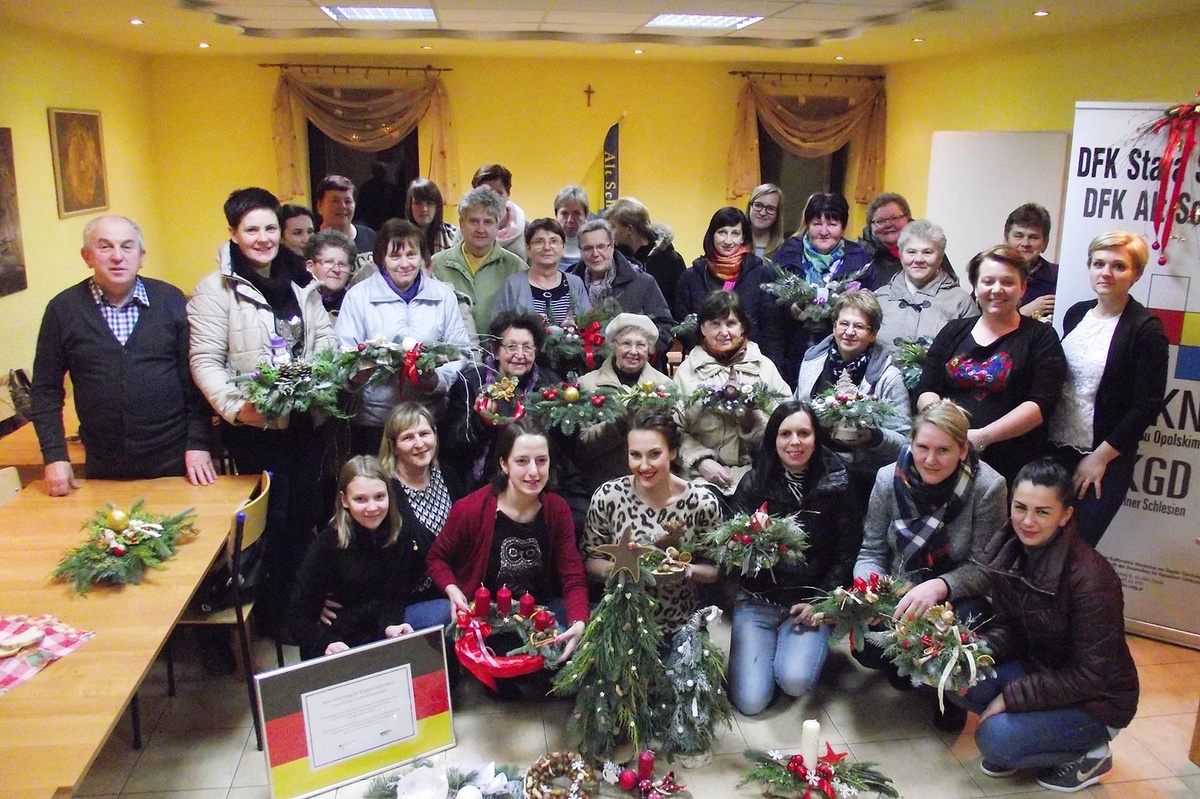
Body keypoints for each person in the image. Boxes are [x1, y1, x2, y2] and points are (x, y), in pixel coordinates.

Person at [188, 187, 338, 633]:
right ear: (233, 233)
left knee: (305, 517)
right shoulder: (216, 290)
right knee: (271, 523)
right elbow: (205, 361)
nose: (263, 238)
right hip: (256, 430)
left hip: (307, 423)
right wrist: (239, 409)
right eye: (251, 230)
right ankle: (274, 617)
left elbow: (325, 338)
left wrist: (321, 381)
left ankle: (301, 608)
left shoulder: (301, 279)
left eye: (270, 227)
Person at [960, 459, 1138, 793]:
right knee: (961, 678)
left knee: (994, 738)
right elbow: (1010, 629)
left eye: (1042, 512)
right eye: (1020, 508)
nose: (1027, 521)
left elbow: (1091, 675)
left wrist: (1011, 698)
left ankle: (1092, 752)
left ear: (1065, 515)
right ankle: (1032, 740)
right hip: (1043, 669)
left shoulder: (1091, 578)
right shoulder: (1009, 551)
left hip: (1098, 701)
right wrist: (968, 651)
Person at [30, 215, 216, 495]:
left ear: (141, 256)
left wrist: (198, 444)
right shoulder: (62, 310)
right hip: (103, 464)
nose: (117, 256)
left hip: (175, 460)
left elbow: (194, 382)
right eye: (105, 247)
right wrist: (55, 455)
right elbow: (45, 390)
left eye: (127, 247)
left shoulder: (170, 300)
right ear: (87, 256)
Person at [854, 399, 1008, 730]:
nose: (930, 460)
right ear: (911, 442)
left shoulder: (988, 487)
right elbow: (872, 550)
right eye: (922, 447)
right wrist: (870, 591)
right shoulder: (888, 479)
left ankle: (949, 692)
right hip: (900, 586)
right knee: (868, 647)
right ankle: (907, 666)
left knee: (966, 622)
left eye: (943, 450)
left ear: (963, 450)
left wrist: (938, 587)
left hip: (957, 595)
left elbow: (986, 569)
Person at [727, 401, 862, 715]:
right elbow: (731, 547)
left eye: (804, 433)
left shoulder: (838, 483)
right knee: (750, 702)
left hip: (809, 601)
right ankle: (767, 651)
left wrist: (823, 602)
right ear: (773, 439)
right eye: (785, 434)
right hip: (759, 599)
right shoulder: (754, 482)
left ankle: (801, 649)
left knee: (794, 680)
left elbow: (847, 552)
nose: (795, 442)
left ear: (816, 437)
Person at [426, 421, 588, 672]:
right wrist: (452, 589)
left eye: (541, 461)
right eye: (522, 461)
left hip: (536, 614)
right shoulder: (471, 509)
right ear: (504, 464)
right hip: (485, 618)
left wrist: (578, 621)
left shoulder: (556, 509)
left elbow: (573, 577)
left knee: (585, 642)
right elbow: (437, 558)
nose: (533, 472)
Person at [1048, 231, 1168, 548]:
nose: (1106, 273)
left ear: (1136, 274)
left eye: (1118, 266)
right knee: (1039, 545)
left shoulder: (1145, 329)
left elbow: (1148, 404)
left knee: (1074, 552)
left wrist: (1099, 458)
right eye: (1098, 263)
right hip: (1055, 449)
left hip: (1103, 460)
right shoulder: (1076, 313)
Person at [916, 245, 1066, 484]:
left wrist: (982, 437)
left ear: (1022, 288)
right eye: (988, 281)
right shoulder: (953, 331)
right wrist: (947, 429)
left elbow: (1041, 404)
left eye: (1008, 282)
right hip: (945, 456)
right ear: (975, 287)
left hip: (1011, 463)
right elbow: (926, 389)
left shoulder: (1041, 337)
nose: (997, 289)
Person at [334, 219, 470, 455]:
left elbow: (460, 351)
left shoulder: (442, 296)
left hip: (428, 420)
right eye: (395, 256)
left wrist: (435, 379)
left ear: (422, 257)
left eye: (411, 254)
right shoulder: (358, 297)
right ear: (381, 259)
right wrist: (359, 373)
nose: (405, 263)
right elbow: (342, 355)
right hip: (374, 421)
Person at [583, 410, 721, 635]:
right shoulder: (608, 496)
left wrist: (689, 570)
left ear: (673, 452)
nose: (644, 466)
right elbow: (590, 559)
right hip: (622, 621)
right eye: (635, 455)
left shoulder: (702, 502)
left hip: (680, 623)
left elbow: (714, 568)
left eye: (654, 454)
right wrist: (623, 569)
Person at [286, 456, 415, 660]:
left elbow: (395, 595)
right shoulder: (327, 545)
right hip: (336, 642)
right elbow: (298, 617)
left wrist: (391, 625)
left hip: (379, 637)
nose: (372, 507)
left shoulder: (399, 534)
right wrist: (325, 644)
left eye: (379, 497)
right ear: (344, 500)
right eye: (360, 499)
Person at [674, 290, 790, 495]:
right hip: (700, 478)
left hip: (758, 473)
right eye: (715, 324)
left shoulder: (764, 368)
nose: (724, 332)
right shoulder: (686, 373)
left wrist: (751, 421)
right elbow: (673, 430)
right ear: (702, 328)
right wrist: (700, 460)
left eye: (731, 323)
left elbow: (787, 426)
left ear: (743, 326)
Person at [442, 310, 561, 489]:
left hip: (537, 480)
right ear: (496, 351)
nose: (520, 355)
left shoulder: (550, 384)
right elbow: (451, 445)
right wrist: (480, 422)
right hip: (482, 482)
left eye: (527, 347)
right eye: (511, 347)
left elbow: (560, 446)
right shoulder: (471, 382)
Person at [794, 291, 911, 464]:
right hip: (811, 459)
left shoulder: (888, 377)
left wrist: (874, 437)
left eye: (859, 326)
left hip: (860, 469)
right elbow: (796, 409)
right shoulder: (812, 362)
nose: (849, 332)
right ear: (834, 327)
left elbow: (904, 442)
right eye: (844, 324)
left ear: (873, 334)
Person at [773, 193, 873, 389]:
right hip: (791, 350)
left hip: (840, 354)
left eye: (832, 224)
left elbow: (868, 305)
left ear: (843, 227)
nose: (824, 231)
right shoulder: (788, 253)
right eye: (817, 223)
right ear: (807, 225)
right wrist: (792, 307)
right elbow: (771, 301)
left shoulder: (859, 259)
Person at [379, 403, 462, 630]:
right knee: (450, 614)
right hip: (405, 603)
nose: (419, 444)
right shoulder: (384, 490)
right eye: (408, 437)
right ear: (394, 446)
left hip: (451, 588)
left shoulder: (448, 474)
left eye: (424, 433)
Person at [576, 314, 673, 493]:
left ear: (650, 350)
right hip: (604, 484)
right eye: (626, 344)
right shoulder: (587, 385)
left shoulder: (665, 386)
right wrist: (620, 420)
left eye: (641, 345)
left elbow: (674, 438)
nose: (633, 351)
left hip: (654, 482)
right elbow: (584, 444)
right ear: (614, 346)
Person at [674, 207, 783, 366]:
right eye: (722, 232)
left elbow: (772, 330)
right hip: (705, 364)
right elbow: (683, 326)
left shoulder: (761, 274)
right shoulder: (691, 277)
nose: (728, 241)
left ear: (743, 237)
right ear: (712, 235)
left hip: (751, 363)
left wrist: (770, 367)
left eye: (735, 233)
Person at [566, 219, 675, 358]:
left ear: (612, 246)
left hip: (634, 364)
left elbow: (665, 327)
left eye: (601, 246)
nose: (595, 254)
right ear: (580, 251)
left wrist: (641, 352)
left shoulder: (643, 282)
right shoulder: (570, 283)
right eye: (588, 248)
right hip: (582, 364)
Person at [431, 186, 527, 340]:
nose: (480, 229)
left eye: (488, 222)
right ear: (461, 223)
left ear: (498, 225)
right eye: (474, 221)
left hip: (501, 352)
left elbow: (524, 322)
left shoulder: (516, 268)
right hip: (451, 352)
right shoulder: (437, 265)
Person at [874, 219, 976, 354]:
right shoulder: (880, 298)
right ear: (901, 256)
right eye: (911, 252)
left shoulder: (960, 301)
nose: (918, 259)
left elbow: (971, 352)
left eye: (927, 252)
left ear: (940, 258)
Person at [491, 218, 590, 324]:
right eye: (539, 242)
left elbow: (589, 324)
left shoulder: (576, 284)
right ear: (528, 249)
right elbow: (498, 327)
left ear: (563, 248)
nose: (547, 247)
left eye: (554, 241)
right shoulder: (513, 285)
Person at [603, 196, 687, 309]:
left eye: (613, 227)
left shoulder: (671, 261)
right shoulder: (614, 259)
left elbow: (679, 305)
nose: (609, 233)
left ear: (629, 229)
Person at [1004, 203, 1058, 322]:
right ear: (1006, 239)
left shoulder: (1059, 278)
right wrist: (1023, 313)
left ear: (1045, 243)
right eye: (1018, 236)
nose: (1025, 243)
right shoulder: (991, 275)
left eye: (1033, 237)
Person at [471, 163, 526, 261]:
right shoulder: (465, 230)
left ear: (508, 193)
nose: (492, 198)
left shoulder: (527, 228)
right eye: (486, 193)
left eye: (498, 193)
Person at [857, 192, 911, 290]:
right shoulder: (859, 255)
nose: (888, 224)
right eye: (880, 221)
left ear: (908, 219)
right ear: (870, 226)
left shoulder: (928, 249)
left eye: (895, 218)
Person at [315, 174, 376, 255]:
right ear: (320, 206)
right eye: (335, 201)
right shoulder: (311, 242)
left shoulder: (369, 236)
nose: (342, 206)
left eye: (347, 201)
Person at [303, 228, 356, 318]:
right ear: (310, 266)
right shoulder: (297, 300)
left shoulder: (356, 305)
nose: (336, 269)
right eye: (329, 262)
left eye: (342, 264)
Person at [405, 177, 458, 256]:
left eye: (429, 203)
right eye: (418, 203)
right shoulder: (398, 236)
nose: (424, 209)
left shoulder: (454, 236)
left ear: (437, 207)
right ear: (410, 206)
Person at [356, 161, 401, 232]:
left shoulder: (391, 188)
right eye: (378, 170)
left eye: (381, 170)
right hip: (369, 222)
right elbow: (361, 205)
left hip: (388, 222)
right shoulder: (366, 187)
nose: (380, 173)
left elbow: (396, 206)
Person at [745, 183, 785, 262]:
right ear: (749, 207)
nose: (762, 213)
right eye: (758, 205)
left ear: (778, 214)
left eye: (770, 208)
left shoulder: (785, 250)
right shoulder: (733, 246)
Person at [554, 185, 589, 269]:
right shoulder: (545, 249)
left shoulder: (595, 251)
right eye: (564, 213)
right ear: (556, 215)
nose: (570, 220)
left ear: (586, 215)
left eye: (576, 213)